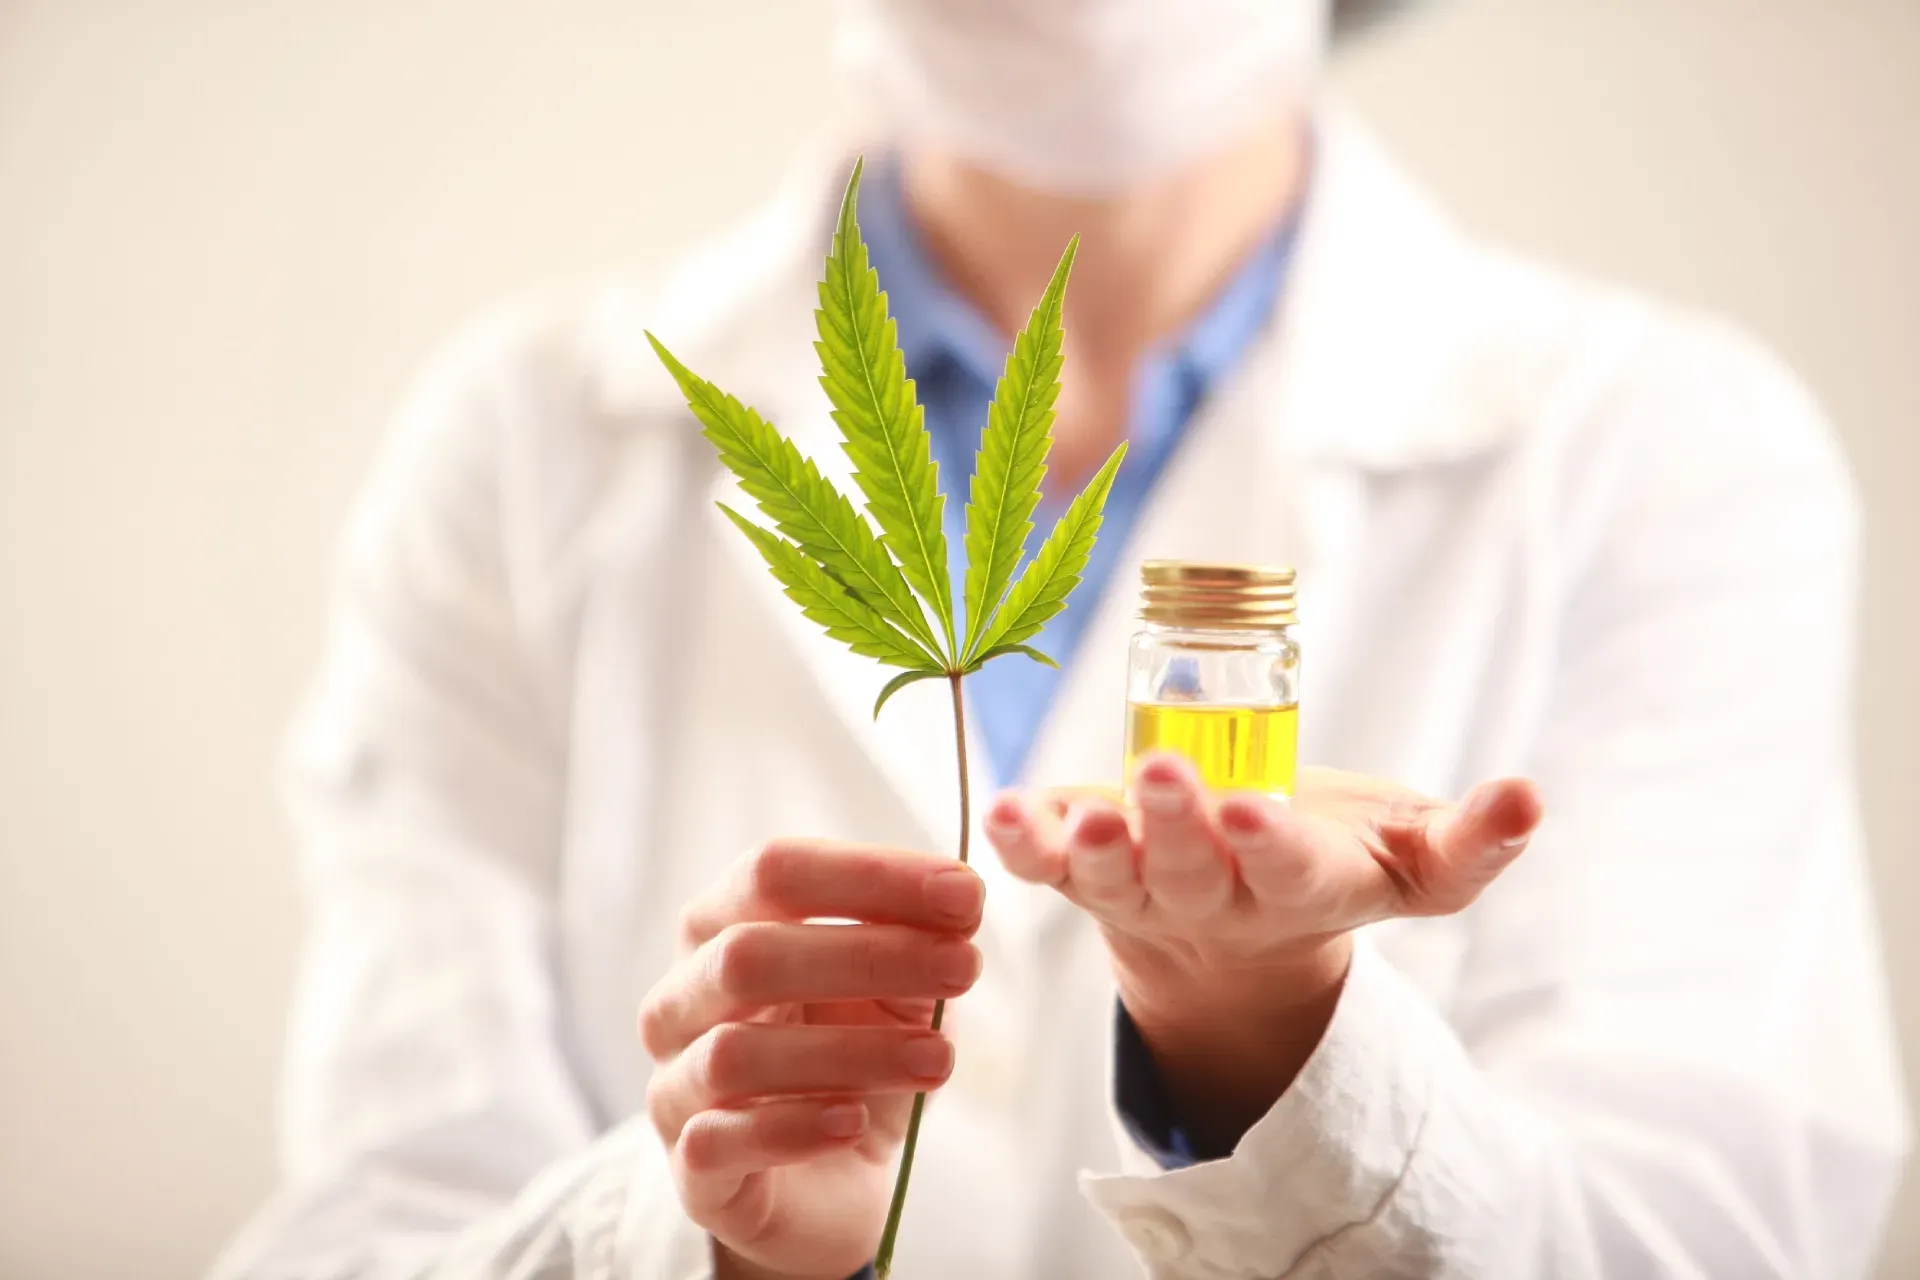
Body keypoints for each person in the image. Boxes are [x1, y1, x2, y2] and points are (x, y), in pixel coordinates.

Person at [212, 1, 1910, 1277]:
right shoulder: (526, 451)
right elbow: (364, 1230)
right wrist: (696, 1243)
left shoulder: (1663, 453)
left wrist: (1277, 1047)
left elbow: (1712, 1239)